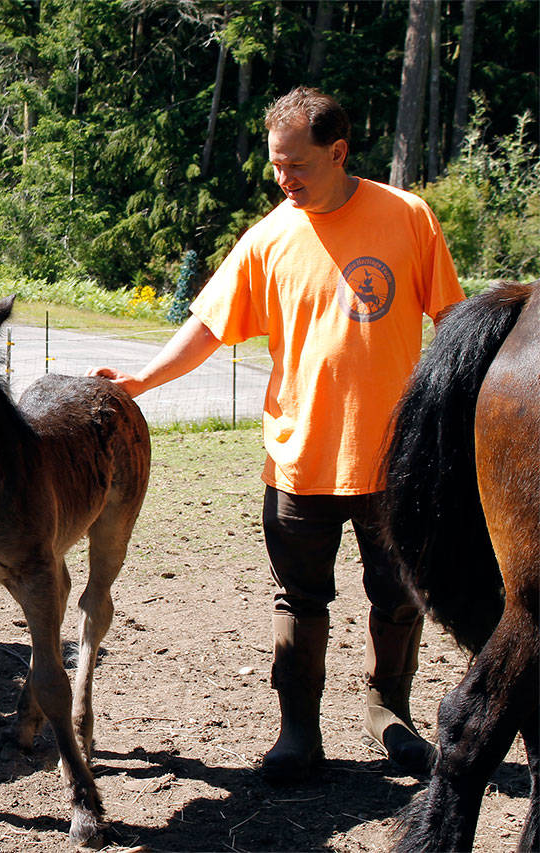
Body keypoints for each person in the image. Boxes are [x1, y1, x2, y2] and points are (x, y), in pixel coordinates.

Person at [89, 86, 463, 783]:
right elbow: (207, 326)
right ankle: (298, 732)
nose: (283, 178)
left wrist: (450, 426)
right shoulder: (268, 237)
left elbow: (452, 324)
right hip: (300, 460)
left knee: (398, 594)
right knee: (299, 599)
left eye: (296, 165)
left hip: (396, 462)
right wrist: (141, 380)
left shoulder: (408, 218)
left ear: (339, 151)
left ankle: (393, 717)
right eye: (274, 165)